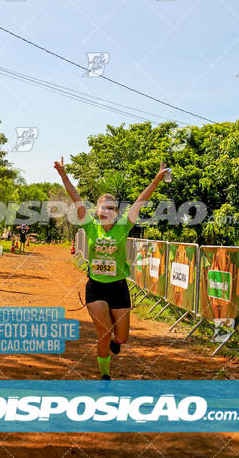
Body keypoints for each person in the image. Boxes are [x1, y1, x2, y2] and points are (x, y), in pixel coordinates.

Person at [54, 156, 169, 380]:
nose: (108, 210)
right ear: (96, 210)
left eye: (112, 208)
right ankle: (105, 375)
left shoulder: (124, 226)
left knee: (122, 337)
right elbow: (75, 196)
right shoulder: (89, 225)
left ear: (117, 212)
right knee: (104, 334)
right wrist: (63, 175)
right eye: (104, 207)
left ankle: (118, 342)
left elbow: (140, 200)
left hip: (118, 287)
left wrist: (155, 181)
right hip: (96, 288)